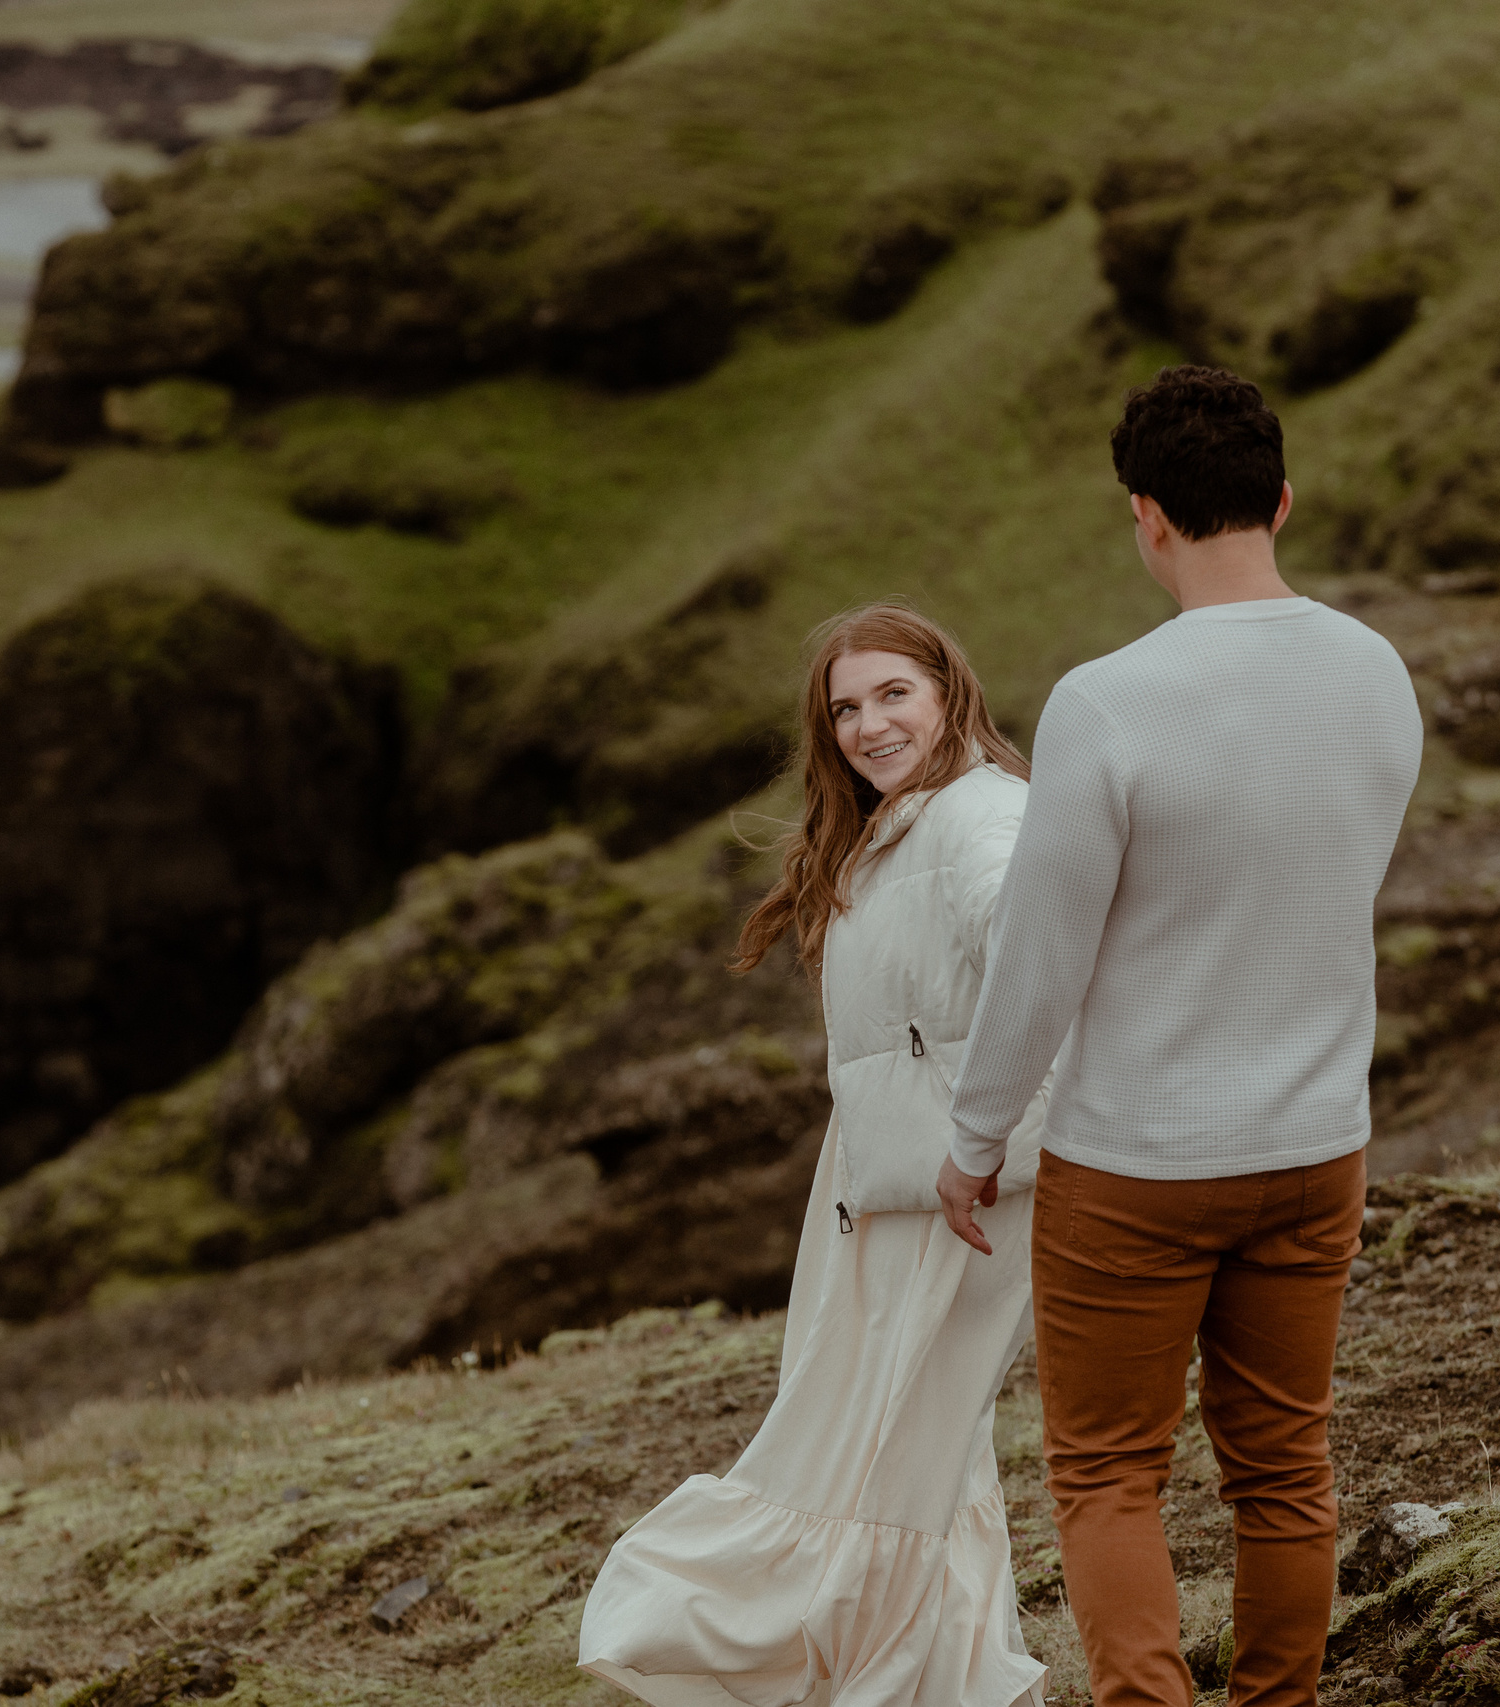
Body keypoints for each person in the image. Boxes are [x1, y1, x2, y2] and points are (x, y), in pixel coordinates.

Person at [936, 364, 1423, 1707]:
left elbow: (1042, 955)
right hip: (1318, 1141)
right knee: (1284, 1467)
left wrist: (974, 1135)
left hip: (1136, 1162)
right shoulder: (1378, 673)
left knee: (1106, 1471)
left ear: (1144, 515)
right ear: (1280, 496)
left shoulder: (1108, 700)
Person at [579, 601, 1053, 1707]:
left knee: (891, 1437)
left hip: (964, 1185)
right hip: (881, 1180)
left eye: (894, 694)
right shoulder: (891, 829)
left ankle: (863, 1668)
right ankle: (941, 1673)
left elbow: (1028, 939)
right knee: (902, 1435)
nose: (869, 725)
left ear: (950, 693)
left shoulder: (982, 818)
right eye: (845, 708)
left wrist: (979, 1139)